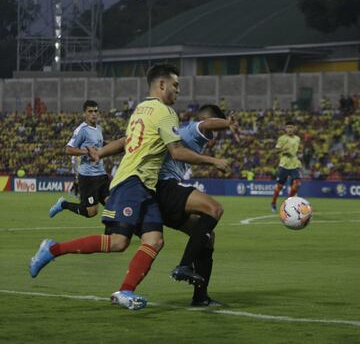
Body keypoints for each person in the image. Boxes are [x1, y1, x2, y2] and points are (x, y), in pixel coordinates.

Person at [29, 64, 230, 311]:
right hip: (131, 181)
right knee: (117, 242)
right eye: (176, 85)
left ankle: (125, 291)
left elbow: (128, 141)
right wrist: (214, 161)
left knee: (154, 240)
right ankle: (53, 249)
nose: (179, 90)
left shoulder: (141, 110)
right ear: (162, 85)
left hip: (145, 187)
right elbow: (176, 151)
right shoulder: (165, 112)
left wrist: (100, 152)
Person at [93, 104, 238, 306]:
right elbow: (207, 123)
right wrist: (227, 124)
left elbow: (124, 142)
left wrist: (100, 152)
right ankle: (184, 266)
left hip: (159, 196)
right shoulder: (192, 130)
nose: (213, 137)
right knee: (214, 209)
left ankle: (200, 298)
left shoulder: (172, 132)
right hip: (163, 186)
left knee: (206, 238)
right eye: (215, 133)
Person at [48, 100, 111, 219]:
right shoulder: (82, 130)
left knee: (113, 205)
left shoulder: (99, 129)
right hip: (88, 177)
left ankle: (115, 235)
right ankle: (63, 204)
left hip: (102, 175)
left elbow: (100, 144)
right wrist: (86, 152)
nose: (93, 114)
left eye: (95, 111)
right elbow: (69, 149)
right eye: (90, 111)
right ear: (84, 114)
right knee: (91, 212)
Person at [271, 121, 302, 213]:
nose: (289, 129)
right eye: (288, 127)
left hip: (294, 165)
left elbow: (296, 150)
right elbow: (275, 151)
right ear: (285, 129)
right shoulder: (282, 138)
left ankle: (287, 203)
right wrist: (282, 149)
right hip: (284, 165)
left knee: (297, 184)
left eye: (291, 127)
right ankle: (273, 203)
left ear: (294, 128)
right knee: (279, 187)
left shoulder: (297, 139)